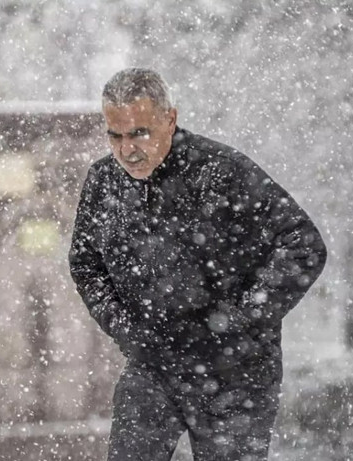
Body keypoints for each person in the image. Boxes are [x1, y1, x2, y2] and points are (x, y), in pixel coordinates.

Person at [68, 68, 327, 461]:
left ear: (170, 119)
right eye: (115, 135)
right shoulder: (104, 183)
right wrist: (125, 329)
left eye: (139, 132)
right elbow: (86, 266)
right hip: (152, 364)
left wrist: (239, 322)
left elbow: (303, 244)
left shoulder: (222, 171)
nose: (127, 149)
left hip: (235, 373)